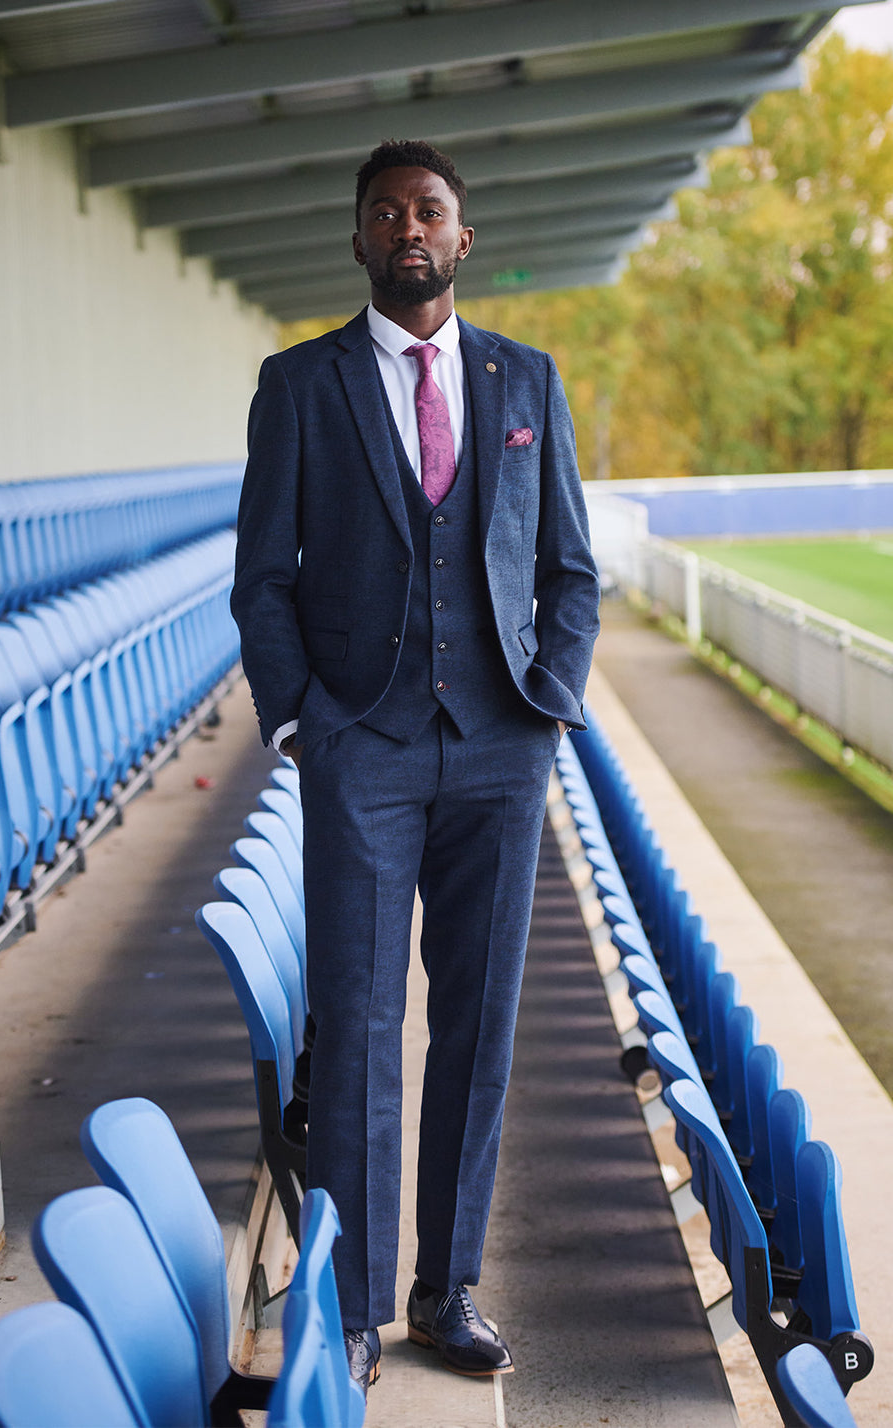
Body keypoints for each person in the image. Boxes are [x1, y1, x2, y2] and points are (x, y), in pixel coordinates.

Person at [231, 139, 600, 1390]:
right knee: (363, 1027)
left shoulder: (527, 382)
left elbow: (570, 571)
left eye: (430, 209)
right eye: (386, 211)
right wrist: (302, 727)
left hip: (503, 748)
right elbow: (262, 581)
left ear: (463, 237)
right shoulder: (298, 384)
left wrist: (551, 703)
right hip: (362, 753)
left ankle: (449, 1291)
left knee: (481, 1027)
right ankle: (350, 1309)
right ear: (358, 240)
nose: (409, 226)